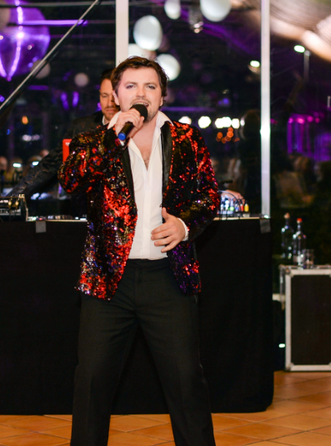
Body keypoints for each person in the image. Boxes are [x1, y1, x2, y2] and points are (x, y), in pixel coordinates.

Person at [59, 56, 220, 446]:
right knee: (92, 381)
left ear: (162, 96)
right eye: (130, 86)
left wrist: (184, 226)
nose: (141, 94)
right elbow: (72, 181)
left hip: (168, 278)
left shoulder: (186, 139)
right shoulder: (93, 140)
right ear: (116, 95)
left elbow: (208, 197)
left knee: (186, 380)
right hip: (108, 282)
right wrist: (113, 135)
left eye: (150, 86)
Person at [12, 68, 118, 198]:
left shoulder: (134, 129)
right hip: (84, 205)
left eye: (114, 97)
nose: (109, 103)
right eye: (104, 96)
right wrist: (14, 196)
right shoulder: (81, 127)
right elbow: (50, 165)